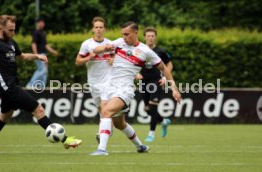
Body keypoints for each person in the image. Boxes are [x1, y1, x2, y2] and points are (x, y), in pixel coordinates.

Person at [0, 15, 81, 154]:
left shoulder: (11, 42)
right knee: (38, 110)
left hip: (11, 85)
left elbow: (22, 56)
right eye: (10, 30)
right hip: (8, 87)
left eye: (14, 30)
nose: (13, 33)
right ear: (0, 28)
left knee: (4, 116)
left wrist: (37, 56)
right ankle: (66, 140)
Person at [90, 21, 182, 155]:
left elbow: (164, 68)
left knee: (106, 111)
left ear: (135, 33)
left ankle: (101, 149)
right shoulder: (119, 42)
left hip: (125, 89)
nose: (124, 37)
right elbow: (95, 50)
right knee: (119, 124)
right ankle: (140, 147)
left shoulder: (145, 51)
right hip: (110, 87)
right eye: (122, 34)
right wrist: (105, 47)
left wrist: (174, 88)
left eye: (126, 34)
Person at [75, 16, 114, 143]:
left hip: (108, 80)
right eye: (96, 27)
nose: (98, 30)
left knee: (104, 106)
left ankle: (102, 132)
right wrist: (88, 58)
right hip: (93, 82)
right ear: (92, 29)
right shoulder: (86, 44)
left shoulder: (110, 44)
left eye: (101, 27)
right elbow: (78, 62)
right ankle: (108, 124)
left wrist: (113, 60)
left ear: (105, 29)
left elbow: (118, 59)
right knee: (100, 108)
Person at [136, 27, 173, 142]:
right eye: (148, 36)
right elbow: (133, 63)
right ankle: (163, 121)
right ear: (144, 37)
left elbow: (169, 65)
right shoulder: (139, 50)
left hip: (156, 81)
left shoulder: (161, 51)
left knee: (153, 106)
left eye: (152, 36)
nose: (150, 38)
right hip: (143, 82)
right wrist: (136, 74)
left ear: (155, 37)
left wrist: (165, 78)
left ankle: (151, 134)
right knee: (147, 109)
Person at [26, 18, 58, 88]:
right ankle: (30, 85)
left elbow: (45, 45)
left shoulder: (43, 33)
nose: (42, 24)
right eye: (41, 22)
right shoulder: (36, 32)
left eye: (43, 22)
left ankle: (41, 87)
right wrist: (36, 55)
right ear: (37, 23)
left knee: (45, 72)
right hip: (39, 55)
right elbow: (33, 44)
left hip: (44, 55)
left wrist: (53, 51)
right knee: (41, 70)